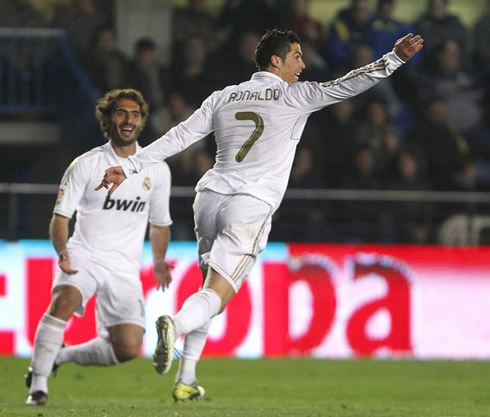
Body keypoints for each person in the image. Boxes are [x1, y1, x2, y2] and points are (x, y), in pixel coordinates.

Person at [97, 29, 423, 401]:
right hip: (248, 205)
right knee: (217, 295)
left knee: (208, 287)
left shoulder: (224, 96)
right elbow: (349, 84)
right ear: (276, 60)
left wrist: (131, 164)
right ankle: (174, 323)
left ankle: (186, 378)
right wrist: (393, 58)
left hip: (209, 196)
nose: (302, 65)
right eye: (297, 56)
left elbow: (181, 135)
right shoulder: (297, 95)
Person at [24, 89, 174, 406]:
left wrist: (159, 262)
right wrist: (63, 252)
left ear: (142, 121)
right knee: (63, 301)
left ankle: (61, 356)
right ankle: (38, 387)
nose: (128, 120)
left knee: (129, 348)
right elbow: (60, 217)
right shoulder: (86, 165)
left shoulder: (157, 170)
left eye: (135, 114)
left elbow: (160, 223)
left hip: (124, 267)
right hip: (84, 255)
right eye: (121, 113)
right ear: (107, 119)